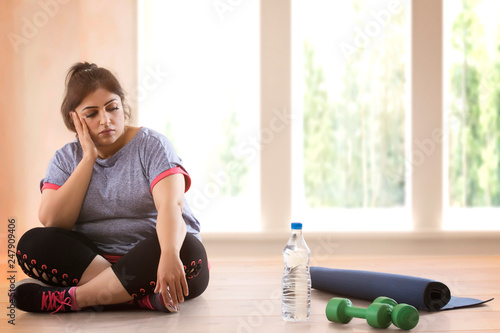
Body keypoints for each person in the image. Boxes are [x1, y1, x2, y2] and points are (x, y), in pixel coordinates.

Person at [11, 62, 209, 313]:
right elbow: (53, 220)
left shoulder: (152, 145)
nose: (106, 120)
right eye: (91, 114)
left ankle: (74, 299)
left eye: (112, 108)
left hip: (152, 260)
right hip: (95, 262)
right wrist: (88, 159)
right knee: (32, 243)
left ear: (122, 107)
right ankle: (141, 298)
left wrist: (169, 253)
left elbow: (172, 206)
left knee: (187, 249)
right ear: (74, 119)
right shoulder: (65, 159)